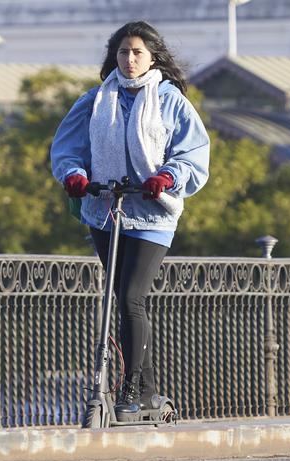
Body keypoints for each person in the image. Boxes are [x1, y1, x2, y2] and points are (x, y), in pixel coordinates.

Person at [50, 20, 210, 416]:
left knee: (131, 297)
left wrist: (167, 177)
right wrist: (75, 175)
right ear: (113, 57)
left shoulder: (171, 100)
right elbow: (67, 148)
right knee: (117, 301)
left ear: (152, 56)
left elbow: (193, 155)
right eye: (123, 52)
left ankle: (129, 392)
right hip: (105, 211)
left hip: (153, 214)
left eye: (138, 52)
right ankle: (149, 393)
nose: (130, 59)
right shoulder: (95, 100)